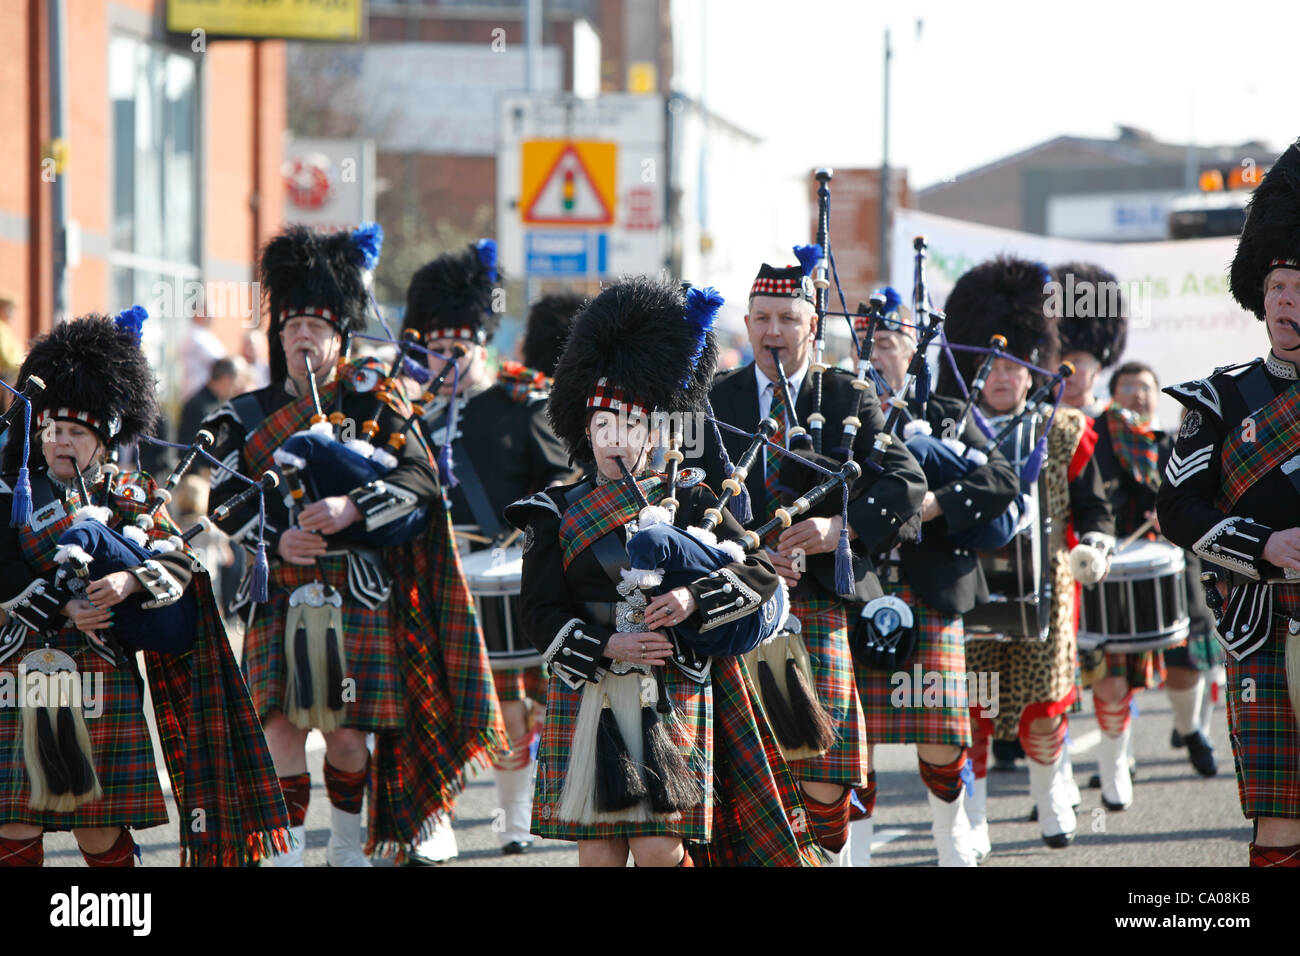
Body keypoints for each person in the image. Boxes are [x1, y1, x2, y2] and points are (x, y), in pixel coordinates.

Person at [203, 223, 506, 867]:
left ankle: (344, 845)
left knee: (344, 735)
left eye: (316, 326)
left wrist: (351, 508)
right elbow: (221, 504)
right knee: (278, 726)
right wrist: (277, 538)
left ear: (340, 337)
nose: (302, 337)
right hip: (280, 592)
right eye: (290, 327)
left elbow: (423, 481)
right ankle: (285, 856)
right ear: (276, 336)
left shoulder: (375, 401)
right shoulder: (244, 415)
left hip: (356, 591)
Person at [505, 275, 817, 866]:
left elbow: (760, 576)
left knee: (657, 849)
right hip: (593, 686)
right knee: (600, 858)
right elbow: (538, 615)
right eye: (602, 424)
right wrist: (608, 645)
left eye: (629, 422)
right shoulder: (553, 512)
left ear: (655, 431)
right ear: (583, 429)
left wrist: (696, 600)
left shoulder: (699, 502)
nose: (614, 437)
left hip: (670, 689)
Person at [0, 310, 289, 867]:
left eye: (75, 432)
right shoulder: (11, 490)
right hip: (18, 669)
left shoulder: (133, 494)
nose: (60, 442)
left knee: (98, 830)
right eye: (52, 429)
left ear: (104, 438)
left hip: (101, 675)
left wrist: (129, 578)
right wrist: (64, 603)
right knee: (12, 819)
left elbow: (179, 563)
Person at [704, 255, 927, 864]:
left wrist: (837, 527)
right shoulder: (713, 399)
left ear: (811, 326)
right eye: (763, 319)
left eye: (787, 319)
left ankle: (830, 853)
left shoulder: (847, 393)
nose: (773, 331)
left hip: (820, 600)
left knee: (821, 766)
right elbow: (694, 493)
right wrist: (747, 547)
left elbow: (906, 481)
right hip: (736, 599)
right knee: (752, 762)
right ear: (746, 325)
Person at [1158, 136, 1300, 866]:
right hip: (1263, 623)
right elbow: (1177, 511)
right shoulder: (1218, 398)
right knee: (1279, 821)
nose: (1287, 299)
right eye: (1277, 284)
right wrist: (1263, 547)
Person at [404, 245, 573, 857]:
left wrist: (534, 540)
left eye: (458, 349)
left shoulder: (520, 402)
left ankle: (514, 816)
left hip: (506, 569)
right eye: (438, 349)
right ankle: (437, 819)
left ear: (480, 343)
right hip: (439, 573)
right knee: (434, 701)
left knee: (514, 705)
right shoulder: (412, 416)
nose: (447, 360)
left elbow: (561, 486)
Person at [943, 255, 1115, 849]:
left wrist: (1095, 544)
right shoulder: (946, 430)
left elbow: (1094, 509)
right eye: (989, 364)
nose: (1001, 377)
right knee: (973, 717)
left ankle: (1048, 800)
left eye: (1014, 365)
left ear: (1033, 367)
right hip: (969, 590)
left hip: (1046, 593)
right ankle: (977, 819)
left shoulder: (1064, 428)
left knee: (1044, 713)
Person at [850, 290, 1020, 865]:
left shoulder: (947, 410)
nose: (878, 353)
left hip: (932, 587)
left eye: (889, 342)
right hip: (861, 589)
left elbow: (1002, 480)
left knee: (943, 729)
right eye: (869, 342)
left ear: (913, 350)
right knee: (854, 735)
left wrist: (936, 505)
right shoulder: (839, 410)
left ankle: (950, 838)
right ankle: (858, 850)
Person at [1085, 357, 1223, 796]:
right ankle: (1118, 763)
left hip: (1176, 567)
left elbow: (1208, 497)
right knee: (1114, 675)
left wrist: (1173, 515)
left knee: (1185, 667)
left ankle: (1189, 730)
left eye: (1145, 388)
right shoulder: (1097, 444)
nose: (1137, 395)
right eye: (1127, 388)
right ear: (1114, 395)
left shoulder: (1176, 445)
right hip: (1113, 571)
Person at [179, 357, 241, 449]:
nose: (234, 387)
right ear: (226, 379)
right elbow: (189, 445)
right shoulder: (200, 406)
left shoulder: (217, 402)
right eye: (233, 382)